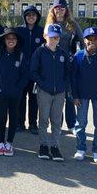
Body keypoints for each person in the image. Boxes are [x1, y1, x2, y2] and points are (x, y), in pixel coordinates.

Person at [72, 27, 97, 164]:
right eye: (89, 39)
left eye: (95, 39)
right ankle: (80, 148)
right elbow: (74, 78)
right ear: (84, 40)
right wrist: (75, 95)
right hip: (82, 96)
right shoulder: (78, 56)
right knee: (81, 123)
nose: (92, 41)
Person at [30, 24, 70, 162]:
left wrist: (63, 86)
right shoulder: (39, 52)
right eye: (51, 37)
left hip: (59, 93)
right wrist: (43, 84)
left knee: (56, 120)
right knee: (43, 119)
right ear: (45, 36)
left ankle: (55, 146)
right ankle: (43, 145)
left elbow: (67, 72)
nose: (54, 40)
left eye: (56, 37)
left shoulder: (63, 53)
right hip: (44, 92)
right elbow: (34, 71)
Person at [45, 0, 84, 133]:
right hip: (52, 64)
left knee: (69, 95)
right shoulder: (49, 24)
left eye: (62, 8)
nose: (59, 10)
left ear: (66, 9)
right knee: (55, 95)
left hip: (69, 64)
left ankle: (71, 124)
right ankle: (56, 124)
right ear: (53, 9)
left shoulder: (72, 24)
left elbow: (83, 42)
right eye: (57, 8)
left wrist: (80, 57)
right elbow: (46, 44)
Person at [0, 28, 29, 156]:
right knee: (2, 118)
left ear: (17, 41)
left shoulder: (21, 55)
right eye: (8, 38)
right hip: (1, 93)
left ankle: (9, 143)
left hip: (15, 94)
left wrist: (19, 88)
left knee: (13, 118)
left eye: (13, 39)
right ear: (4, 40)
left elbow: (25, 75)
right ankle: (1, 143)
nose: (11, 41)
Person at [16, 6, 44, 134]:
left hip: (35, 72)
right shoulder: (19, 30)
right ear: (25, 17)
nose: (30, 17)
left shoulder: (42, 32)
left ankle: (33, 124)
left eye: (33, 15)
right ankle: (20, 123)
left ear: (37, 17)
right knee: (21, 98)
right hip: (21, 71)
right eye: (28, 15)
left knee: (34, 99)